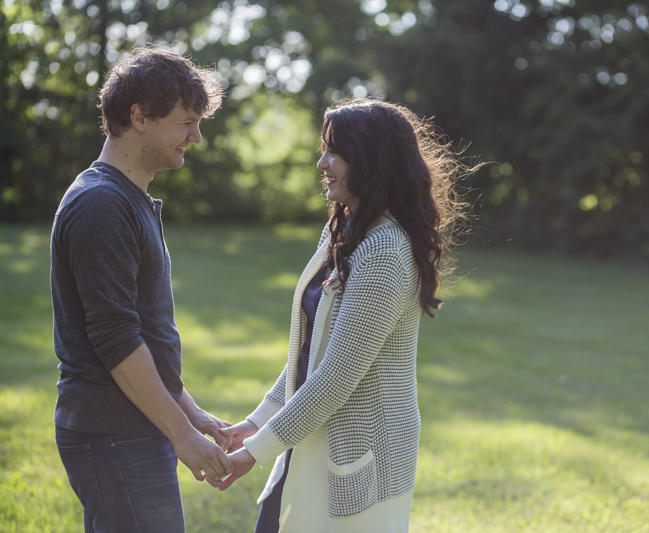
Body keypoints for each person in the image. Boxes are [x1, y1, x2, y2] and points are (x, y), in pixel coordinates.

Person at [214, 98, 472, 533]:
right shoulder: (344, 229)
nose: (321, 162)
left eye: (334, 152)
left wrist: (255, 450)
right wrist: (257, 421)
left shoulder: (385, 251)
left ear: (370, 163)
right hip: (306, 438)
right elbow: (310, 353)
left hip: (356, 455)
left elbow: (334, 378)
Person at [50, 46, 233, 533]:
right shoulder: (102, 205)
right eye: (187, 122)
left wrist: (191, 415)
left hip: (130, 427)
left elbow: (145, 331)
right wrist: (182, 436)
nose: (196, 137)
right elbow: (115, 337)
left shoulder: (127, 199)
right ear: (139, 117)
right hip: (111, 431)